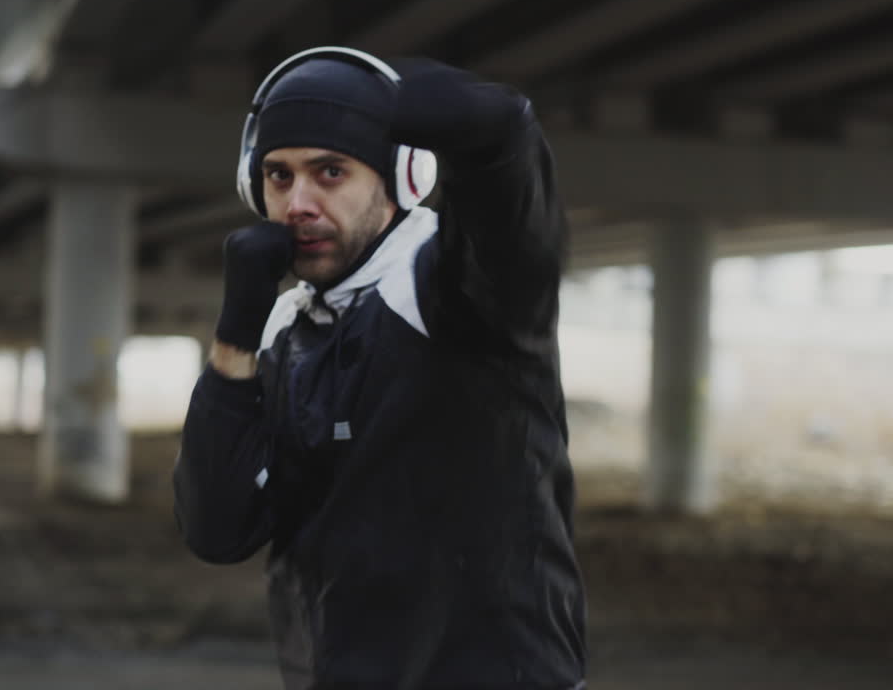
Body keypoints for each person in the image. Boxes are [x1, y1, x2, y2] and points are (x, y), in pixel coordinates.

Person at [173, 46, 586, 689]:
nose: (297, 203)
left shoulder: (448, 292)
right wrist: (235, 339)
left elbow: (514, 251)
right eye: (278, 176)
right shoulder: (286, 328)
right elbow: (217, 529)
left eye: (330, 172)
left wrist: (504, 144)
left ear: (401, 177)